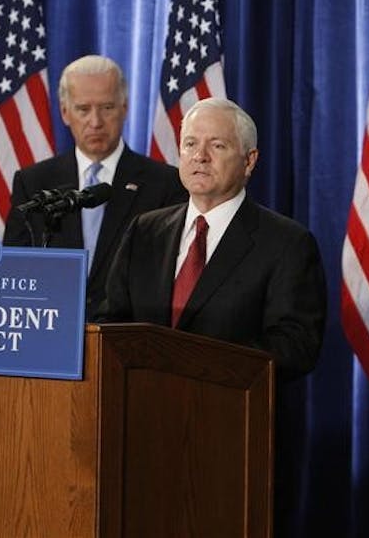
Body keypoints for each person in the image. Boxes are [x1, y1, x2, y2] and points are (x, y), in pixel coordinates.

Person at [98, 97, 326, 379]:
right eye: (191, 144)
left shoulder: (287, 243)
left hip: (229, 413)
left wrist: (196, 364)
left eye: (217, 145)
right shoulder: (145, 231)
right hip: (142, 409)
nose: (200, 156)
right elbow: (110, 323)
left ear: (249, 160)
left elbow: (296, 347)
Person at [2, 55, 186, 315]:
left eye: (107, 107)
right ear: (65, 113)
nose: (96, 121)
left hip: (126, 337)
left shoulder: (165, 184)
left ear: (125, 108)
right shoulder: (33, 183)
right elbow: (14, 268)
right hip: (52, 328)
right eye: (83, 109)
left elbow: (168, 275)